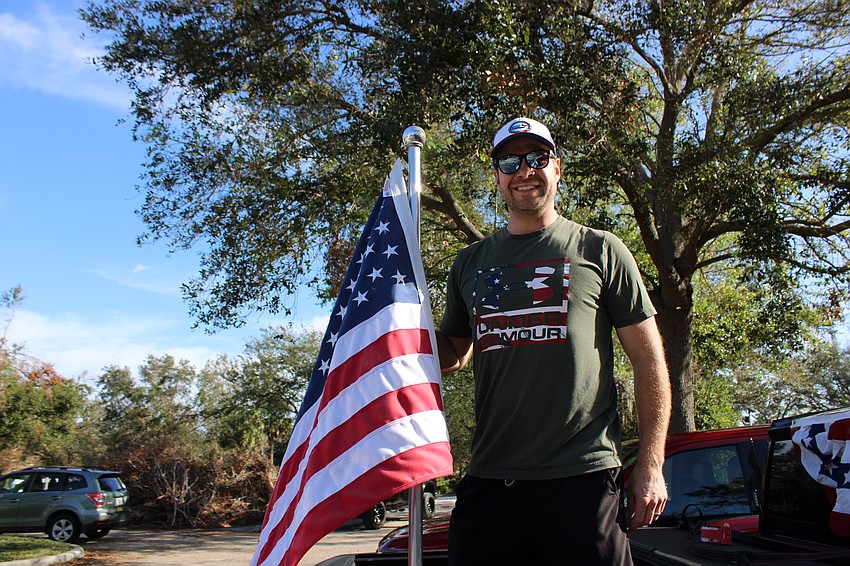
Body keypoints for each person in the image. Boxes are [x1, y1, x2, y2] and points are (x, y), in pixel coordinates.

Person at [436, 117, 671, 565]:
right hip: (490, 480)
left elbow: (648, 357)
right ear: (497, 177)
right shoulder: (470, 263)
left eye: (537, 158)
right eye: (510, 160)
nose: (524, 170)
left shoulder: (600, 249)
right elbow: (453, 355)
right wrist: (402, 330)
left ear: (556, 168)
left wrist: (651, 464)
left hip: (581, 481)